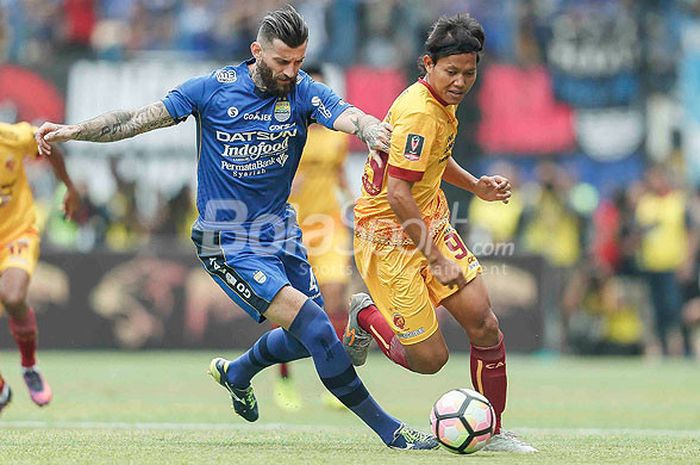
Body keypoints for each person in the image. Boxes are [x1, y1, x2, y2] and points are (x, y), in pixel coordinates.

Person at [36, 6, 436, 450]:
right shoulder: (211, 90)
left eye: (299, 61)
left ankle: (237, 372)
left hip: (280, 231)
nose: (291, 71)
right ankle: (392, 432)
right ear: (256, 52)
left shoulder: (303, 91)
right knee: (318, 328)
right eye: (282, 61)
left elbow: (348, 115)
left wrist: (370, 129)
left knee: (306, 340)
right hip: (226, 240)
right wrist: (74, 130)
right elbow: (134, 120)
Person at [344, 13, 536, 452]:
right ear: (426, 64)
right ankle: (364, 316)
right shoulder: (419, 113)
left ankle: (493, 430)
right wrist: (435, 257)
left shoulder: (440, 105)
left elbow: (432, 160)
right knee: (429, 360)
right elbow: (397, 193)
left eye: (469, 72)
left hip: (426, 219)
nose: (461, 82)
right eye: (451, 72)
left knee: (485, 325)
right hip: (390, 239)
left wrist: (476, 187)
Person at [274, 64, 352, 412]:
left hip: (328, 225)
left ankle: (335, 384)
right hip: (291, 226)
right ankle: (285, 380)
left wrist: (353, 204)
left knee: (335, 297)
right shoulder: (285, 130)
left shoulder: (338, 134)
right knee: (290, 307)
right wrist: (285, 185)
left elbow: (338, 174)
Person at [0, 121, 80, 414]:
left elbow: (49, 146)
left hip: (16, 234)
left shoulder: (11, 136)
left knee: (12, 297)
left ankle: (29, 366)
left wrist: (69, 188)